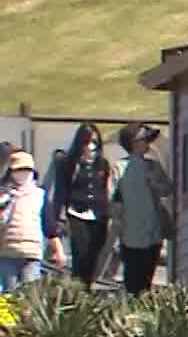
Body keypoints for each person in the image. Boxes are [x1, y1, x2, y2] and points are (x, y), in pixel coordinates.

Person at [51, 123, 113, 289]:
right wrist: (58, 218)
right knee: (81, 254)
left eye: (94, 142)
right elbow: (61, 192)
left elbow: (106, 189)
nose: (90, 146)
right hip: (77, 213)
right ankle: (79, 292)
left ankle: (88, 287)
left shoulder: (103, 164)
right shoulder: (69, 164)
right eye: (87, 142)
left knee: (95, 254)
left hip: (99, 215)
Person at [112, 122, 172, 295]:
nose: (147, 143)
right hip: (129, 233)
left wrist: (156, 182)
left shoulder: (153, 166)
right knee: (132, 280)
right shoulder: (119, 167)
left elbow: (168, 190)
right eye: (143, 140)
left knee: (146, 280)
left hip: (152, 232)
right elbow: (114, 199)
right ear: (132, 143)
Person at [0, 151, 65, 291]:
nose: (22, 173)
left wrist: (58, 250)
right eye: (18, 170)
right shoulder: (3, 194)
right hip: (7, 253)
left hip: (32, 253)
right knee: (8, 295)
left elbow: (49, 226)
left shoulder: (39, 195)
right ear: (11, 172)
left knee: (30, 296)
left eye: (26, 170)